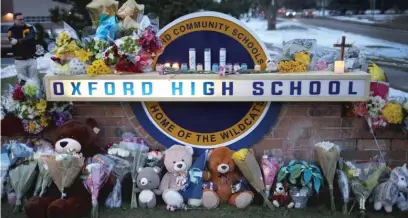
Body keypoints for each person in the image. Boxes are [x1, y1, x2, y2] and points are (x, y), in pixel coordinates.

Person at [8, 12, 38, 84]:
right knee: (23, 81)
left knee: (34, 79)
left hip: (31, 59)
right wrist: (20, 41)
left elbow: (31, 37)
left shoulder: (29, 27)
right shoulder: (11, 30)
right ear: (14, 20)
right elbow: (12, 40)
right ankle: (24, 95)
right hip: (20, 60)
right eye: (20, 19)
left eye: (23, 19)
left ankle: (36, 94)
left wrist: (18, 41)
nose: (22, 21)